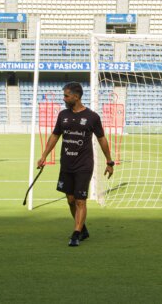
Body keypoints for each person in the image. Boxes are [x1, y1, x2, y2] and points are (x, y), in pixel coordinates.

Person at [37, 82, 114, 247]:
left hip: (83, 165)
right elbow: (55, 136)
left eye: (66, 95)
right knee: (70, 200)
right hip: (66, 164)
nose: (64, 98)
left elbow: (102, 139)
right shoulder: (62, 115)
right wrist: (44, 155)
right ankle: (83, 228)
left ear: (76, 97)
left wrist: (109, 161)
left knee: (80, 200)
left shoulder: (92, 117)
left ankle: (76, 233)